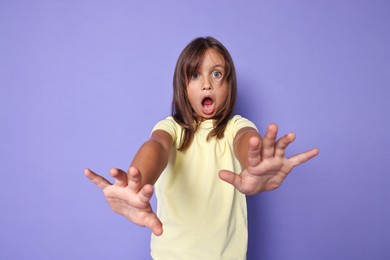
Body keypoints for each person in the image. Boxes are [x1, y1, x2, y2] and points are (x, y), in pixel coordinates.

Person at [84, 36, 319, 259]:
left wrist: (255, 163)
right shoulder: (171, 128)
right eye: (195, 75)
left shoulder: (236, 127)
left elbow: (246, 140)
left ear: (229, 84)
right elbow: (156, 147)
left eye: (216, 74)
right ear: (182, 86)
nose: (207, 84)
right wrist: (137, 181)